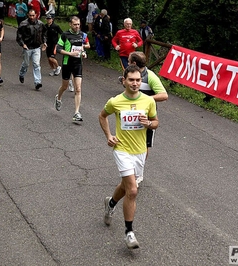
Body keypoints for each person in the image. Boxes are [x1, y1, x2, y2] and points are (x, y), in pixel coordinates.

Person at [98, 65, 158, 249]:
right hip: (122, 149)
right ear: (124, 80)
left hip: (140, 151)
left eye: (138, 80)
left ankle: (111, 202)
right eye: (131, 80)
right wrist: (109, 136)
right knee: (132, 190)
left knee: (125, 186)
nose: (135, 83)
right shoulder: (115, 101)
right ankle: (129, 232)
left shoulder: (148, 101)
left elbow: (156, 123)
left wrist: (148, 123)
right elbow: (102, 116)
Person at [127, 51, 168, 187]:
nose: (127, 63)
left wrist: (146, 99)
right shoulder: (129, 74)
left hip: (147, 116)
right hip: (130, 114)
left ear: (134, 63)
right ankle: (129, 169)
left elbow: (164, 95)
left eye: (128, 61)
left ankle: (139, 173)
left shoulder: (150, 76)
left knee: (145, 145)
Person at [54, 16, 90, 123]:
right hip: (67, 63)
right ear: (70, 24)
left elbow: (85, 46)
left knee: (78, 88)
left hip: (78, 64)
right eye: (75, 24)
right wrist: (70, 53)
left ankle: (76, 112)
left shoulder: (82, 35)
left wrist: (83, 53)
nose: (77, 26)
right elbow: (58, 49)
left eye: (78, 24)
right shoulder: (65, 35)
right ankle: (58, 98)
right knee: (64, 86)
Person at [16, 9, 47, 90]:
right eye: (30, 15)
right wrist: (23, 44)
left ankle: (37, 82)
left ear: (36, 15)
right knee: (26, 63)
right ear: (28, 15)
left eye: (33, 15)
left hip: (37, 47)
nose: (32, 17)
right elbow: (19, 36)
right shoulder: (23, 24)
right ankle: (21, 74)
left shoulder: (40, 24)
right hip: (27, 47)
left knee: (36, 64)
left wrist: (44, 42)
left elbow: (44, 33)